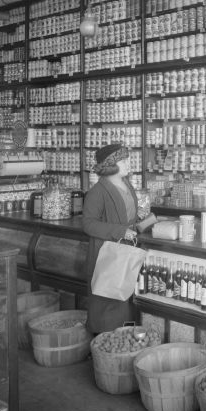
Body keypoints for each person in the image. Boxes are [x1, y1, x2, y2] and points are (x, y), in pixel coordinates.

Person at [82, 143, 143, 335]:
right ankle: (103, 343)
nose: (128, 163)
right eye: (123, 160)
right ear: (111, 165)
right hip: (107, 254)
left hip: (126, 251)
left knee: (125, 298)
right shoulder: (97, 191)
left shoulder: (126, 185)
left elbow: (126, 214)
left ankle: (124, 340)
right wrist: (120, 231)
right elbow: (88, 224)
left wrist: (139, 219)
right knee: (107, 300)